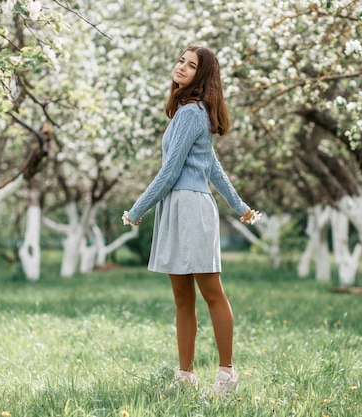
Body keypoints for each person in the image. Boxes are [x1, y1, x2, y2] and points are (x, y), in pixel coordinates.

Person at [123, 45, 258, 395]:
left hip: (190, 208)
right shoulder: (191, 112)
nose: (181, 67)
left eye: (191, 65)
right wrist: (239, 205)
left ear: (202, 75)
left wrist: (137, 210)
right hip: (178, 208)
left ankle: (227, 375)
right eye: (181, 60)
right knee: (183, 299)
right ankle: (185, 377)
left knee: (211, 293)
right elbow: (213, 166)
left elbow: (170, 173)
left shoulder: (191, 113)